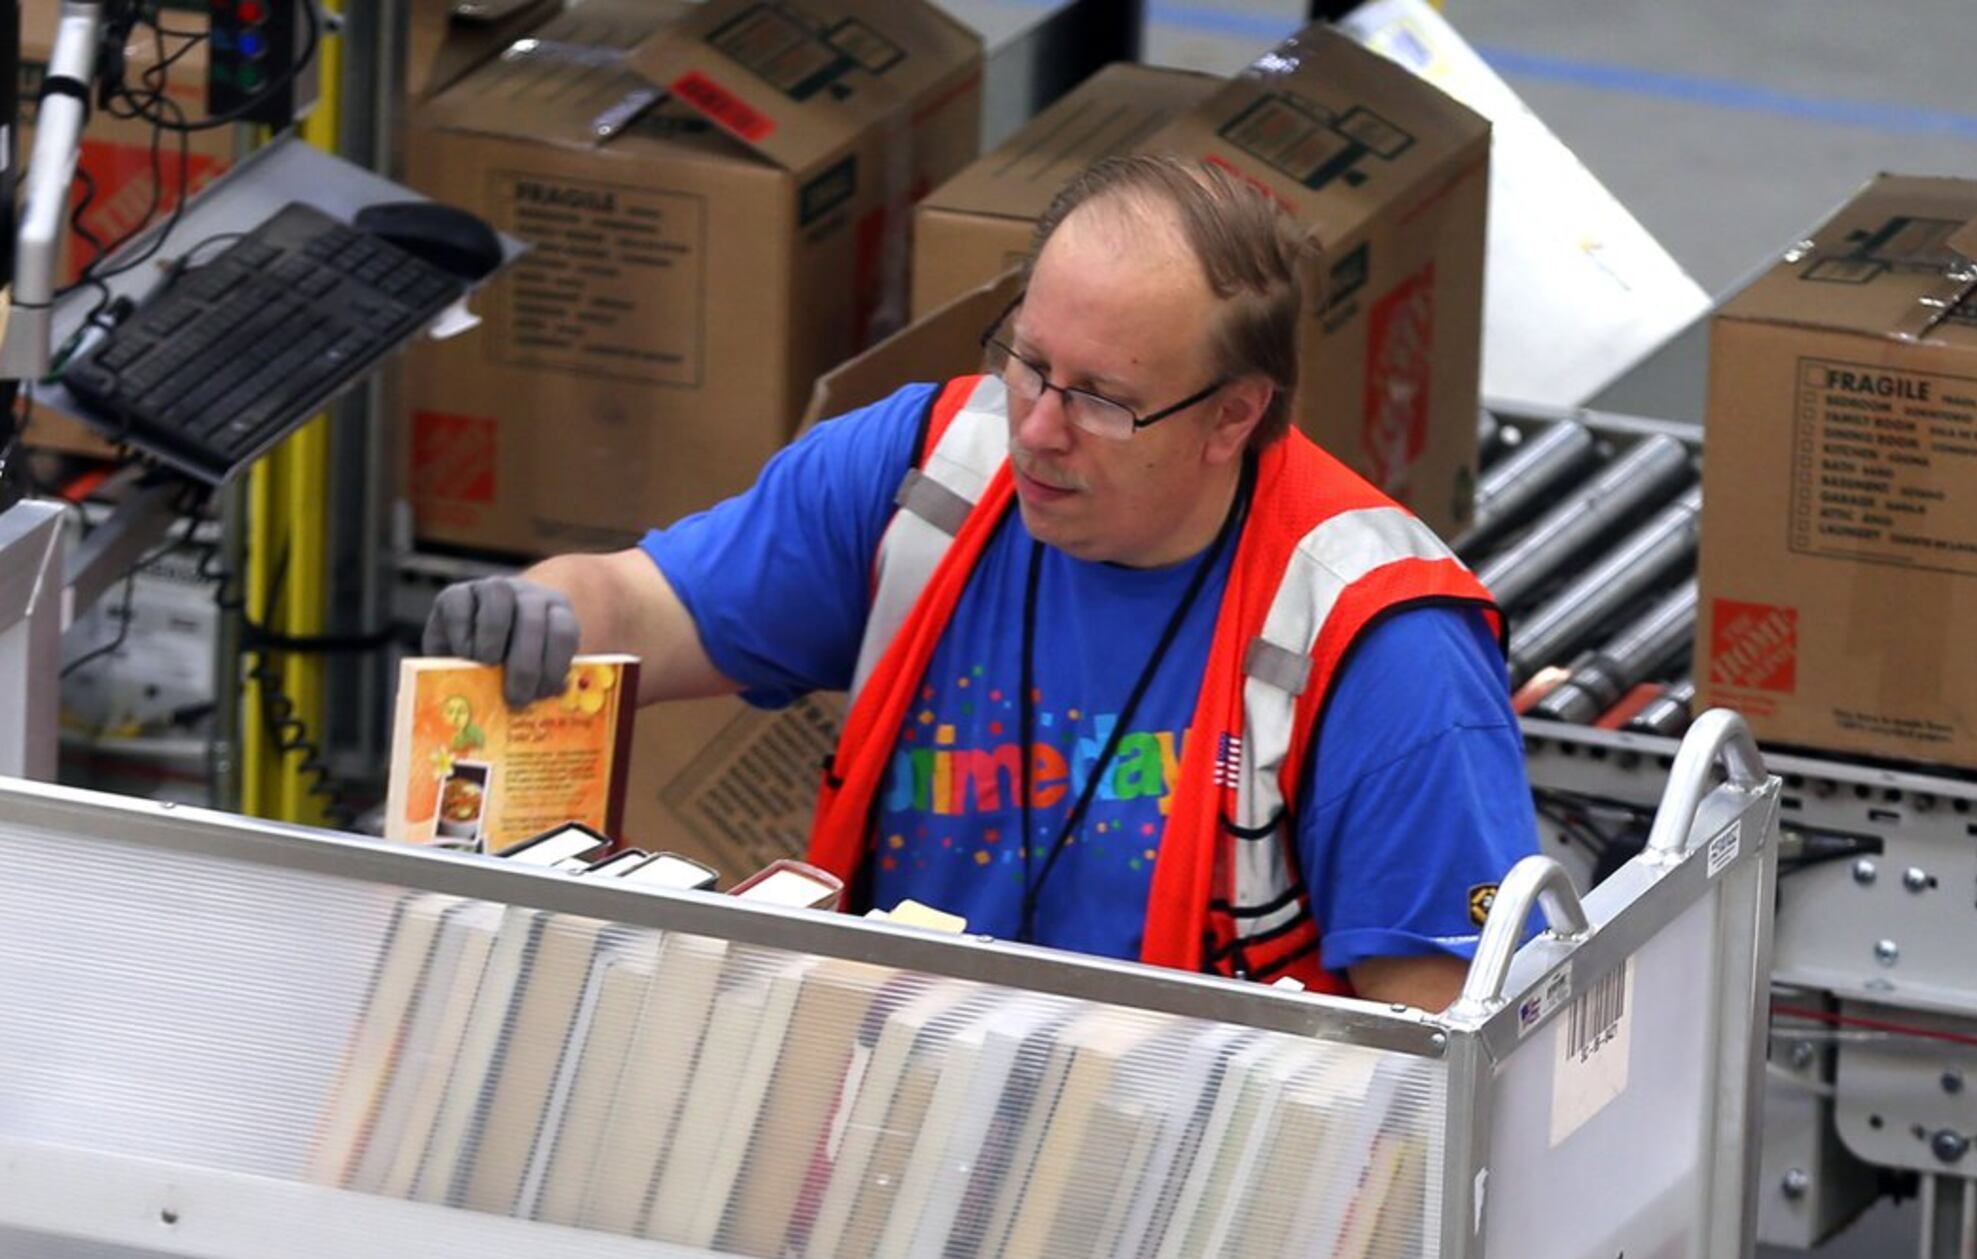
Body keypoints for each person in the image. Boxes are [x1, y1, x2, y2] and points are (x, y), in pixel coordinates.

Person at [423, 153, 1534, 1012]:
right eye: (1030, 361)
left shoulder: (1380, 646)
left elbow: (1444, 1042)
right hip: (876, 1115)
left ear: (1234, 415)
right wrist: (547, 612)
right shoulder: (924, 472)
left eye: (1102, 397)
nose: (1039, 432)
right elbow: (645, 608)